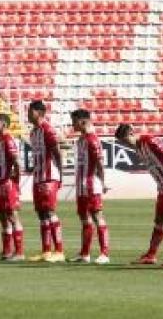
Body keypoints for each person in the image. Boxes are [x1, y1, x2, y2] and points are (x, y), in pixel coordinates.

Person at [115, 123, 163, 267]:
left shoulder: (149, 141)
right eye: (123, 143)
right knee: (158, 221)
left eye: (126, 141)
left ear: (132, 134)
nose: (126, 144)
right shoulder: (138, 148)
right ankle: (151, 255)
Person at [69, 109, 110, 265]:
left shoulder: (92, 140)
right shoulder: (81, 140)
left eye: (74, 121)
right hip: (81, 185)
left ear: (82, 121)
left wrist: (103, 182)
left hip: (92, 184)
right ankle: (85, 254)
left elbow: (100, 163)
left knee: (97, 217)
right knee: (84, 219)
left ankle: (104, 253)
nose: (72, 125)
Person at [27, 100, 65, 263]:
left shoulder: (48, 130)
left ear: (39, 113)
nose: (28, 114)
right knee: (41, 213)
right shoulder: (34, 132)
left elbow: (57, 152)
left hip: (49, 176)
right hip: (38, 177)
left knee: (49, 211)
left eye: (30, 111)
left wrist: (60, 174)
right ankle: (46, 251)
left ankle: (59, 250)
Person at [0, 113, 24, 261]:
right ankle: (7, 250)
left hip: (7, 183)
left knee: (12, 215)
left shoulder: (8, 140)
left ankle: (19, 252)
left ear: (3, 125)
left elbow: (17, 162)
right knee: (2, 217)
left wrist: (15, 181)